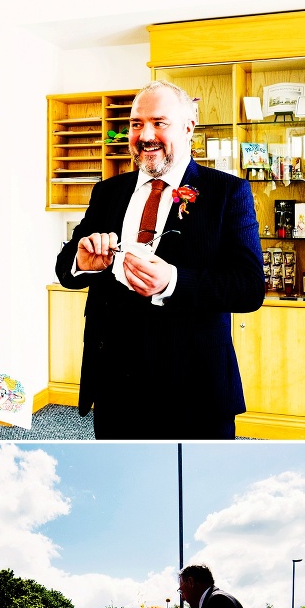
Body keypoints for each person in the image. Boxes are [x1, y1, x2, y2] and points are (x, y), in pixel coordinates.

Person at [55, 80, 265, 439]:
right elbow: (67, 269)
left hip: (192, 388)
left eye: (159, 122)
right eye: (136, 124)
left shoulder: (227, 192)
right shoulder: (107, 192)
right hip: (115, 386)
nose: (145, 134)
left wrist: (173, 282)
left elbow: (249, 288)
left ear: (188, 128)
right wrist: (80, 262)